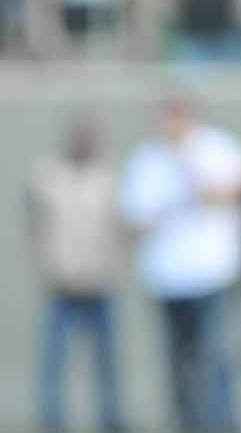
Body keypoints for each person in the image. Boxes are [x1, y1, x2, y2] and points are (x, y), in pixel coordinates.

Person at [122, 94, 241, 432]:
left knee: (215, 356)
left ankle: (222, 424)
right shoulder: (147, 158)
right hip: (167, 277)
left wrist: (188, 167)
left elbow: (233, 191)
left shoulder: (216, 147)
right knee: (177, 363)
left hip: (211, 273)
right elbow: (135, 217)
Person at [27, 117, 127, 433]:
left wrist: (111, 263)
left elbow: (120, 228)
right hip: (63, 286)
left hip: (99, 284)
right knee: (54, 363)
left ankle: (112, 421)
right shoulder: (49, 177)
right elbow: (36, 227)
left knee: (107, 364)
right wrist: (49, 264)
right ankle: (51, 422)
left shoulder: (108, 178)